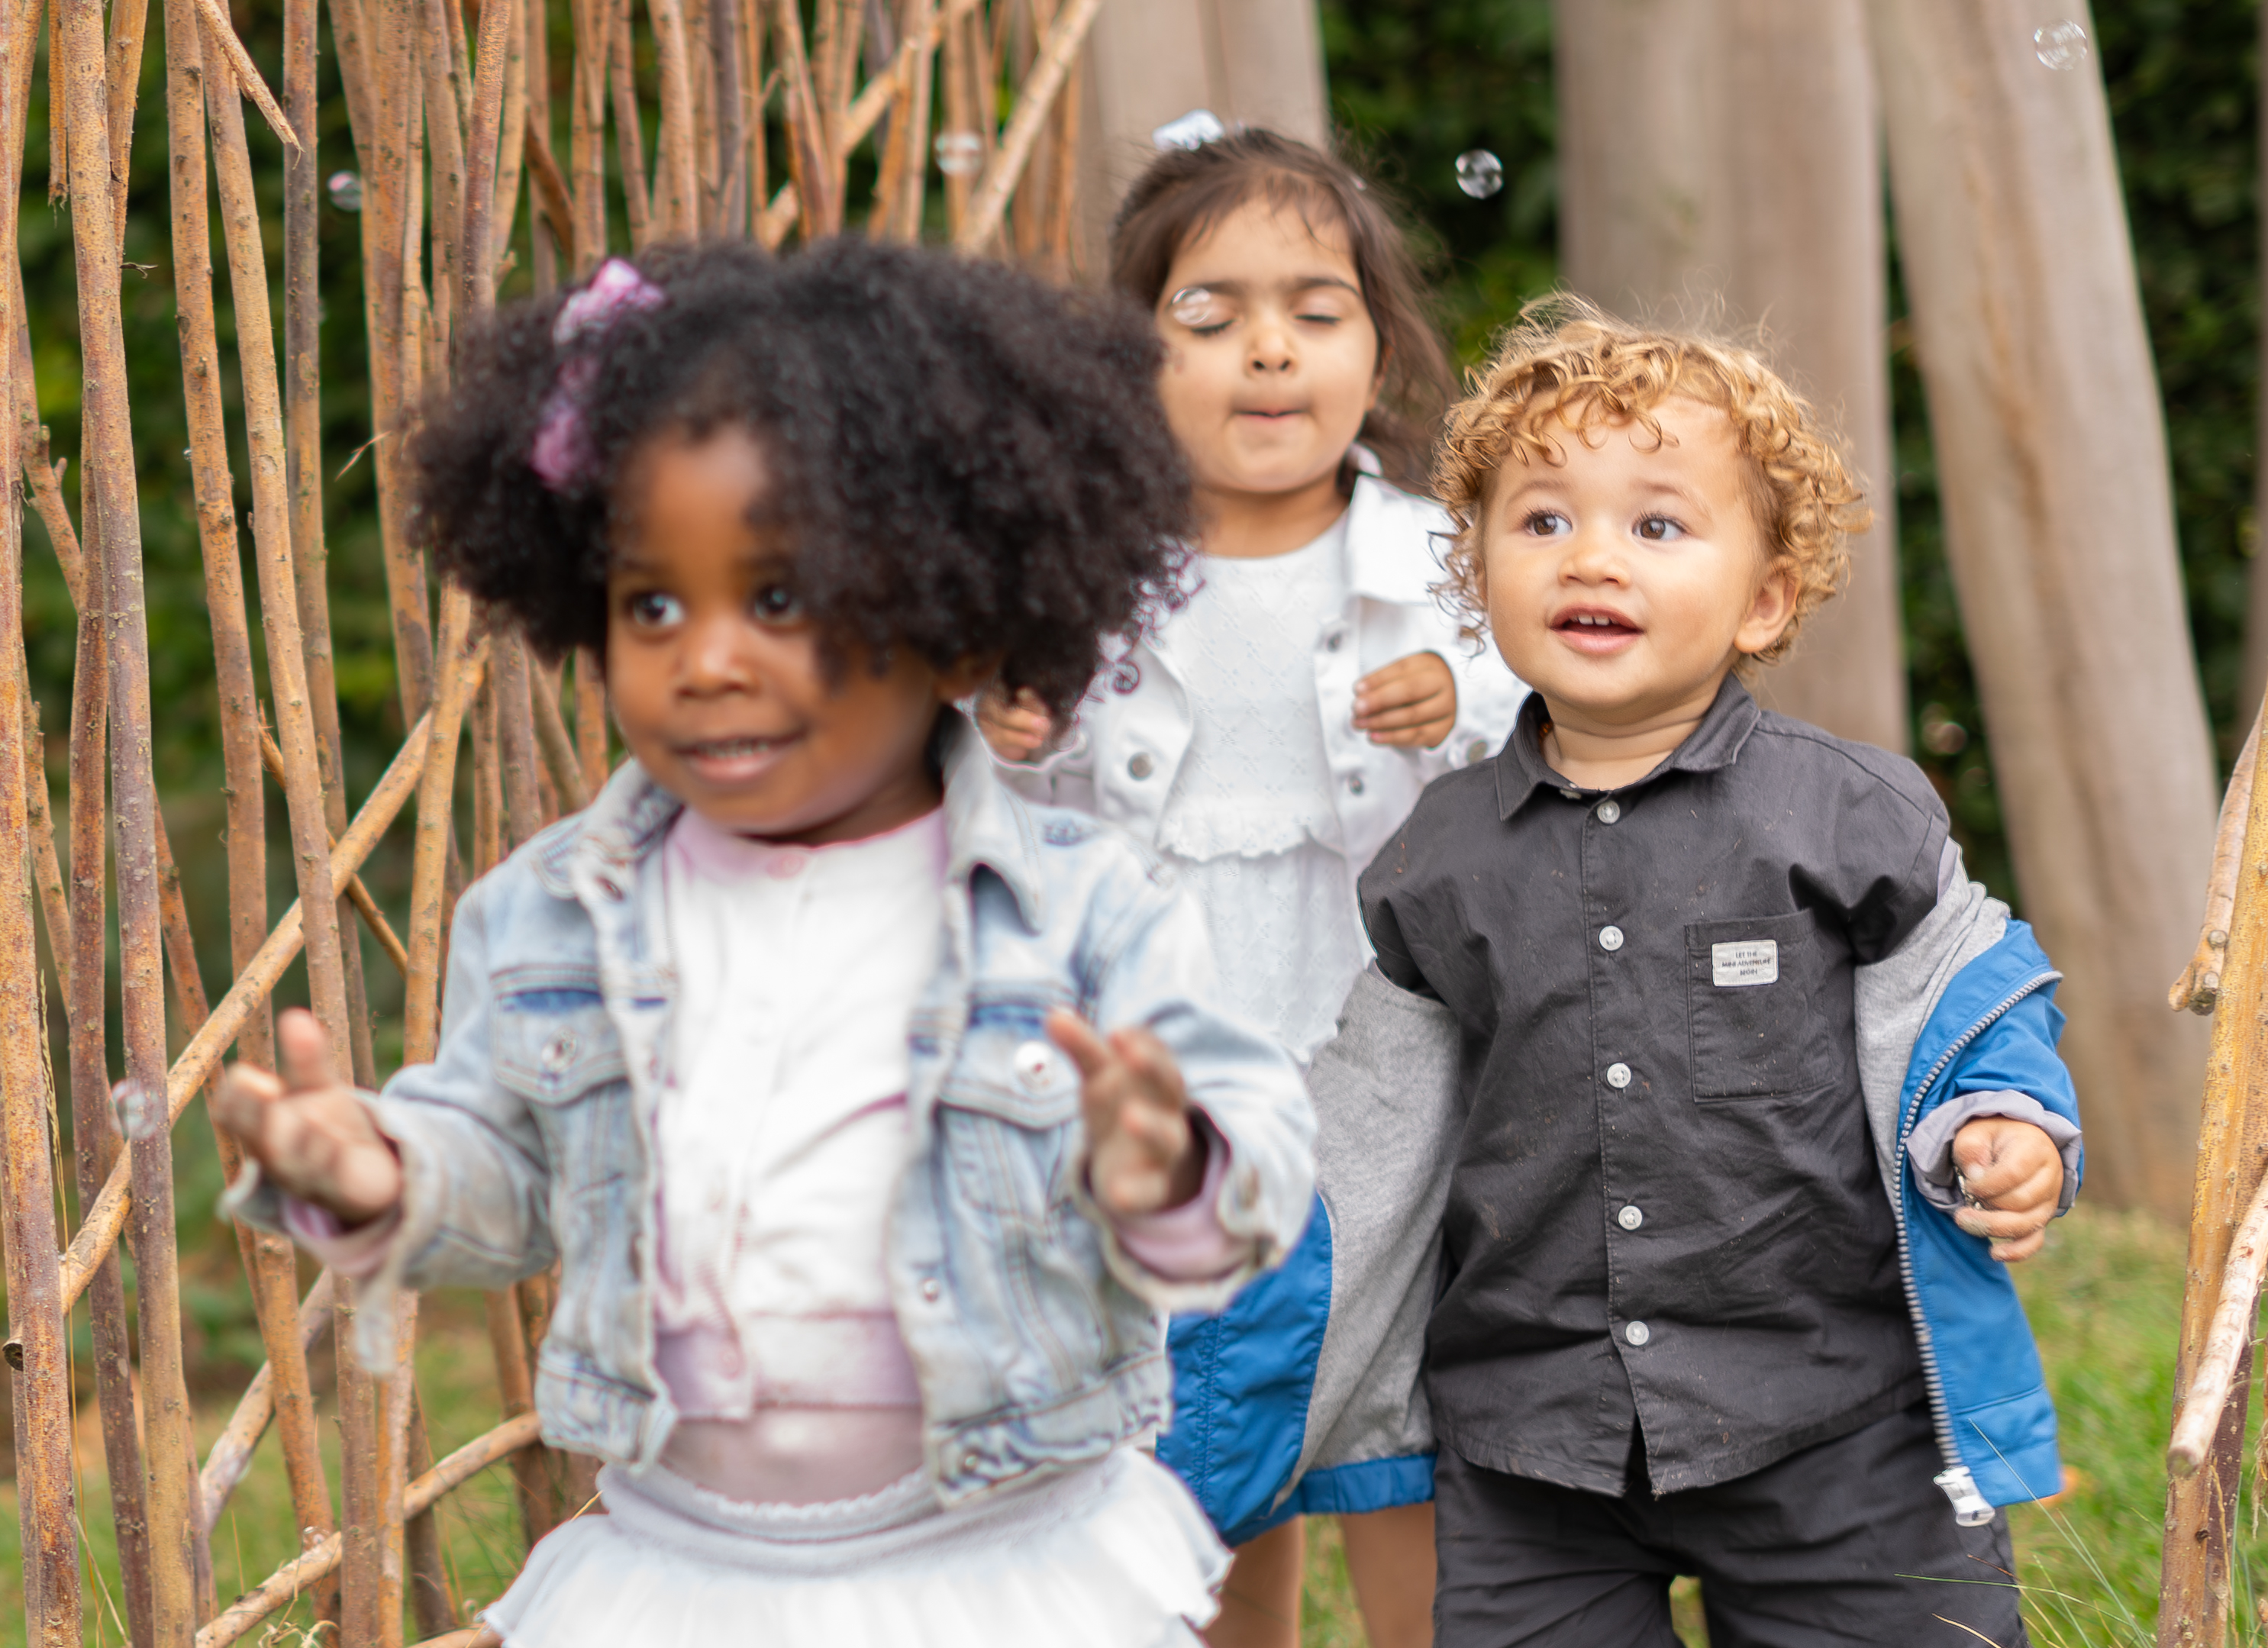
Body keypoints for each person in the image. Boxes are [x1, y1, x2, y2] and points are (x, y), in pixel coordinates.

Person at [209, 238, 1318, 1648]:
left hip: (992, 1560)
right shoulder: (557, 910)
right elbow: (507, 1170)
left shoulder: (1078, 911)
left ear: (958, 614)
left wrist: (1161, 1165)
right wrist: (378, 1168)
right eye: (652, 603)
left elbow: (1256, 1149)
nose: (709, 657)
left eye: (780, 598)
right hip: (689, 1569)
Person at [1308, 303, 2082, 1647]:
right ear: (1473, 573)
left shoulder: (1842, 819)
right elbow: (1368, 1127)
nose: (1590, 555)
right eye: (1542, 521)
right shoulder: (1433, 862)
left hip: (1834, 1419)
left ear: (1765, 598)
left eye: (1655, 525)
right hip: (1530, 1444)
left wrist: (1999, 1125)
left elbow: (1970, 995)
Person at [976, 127, 1524, 1648]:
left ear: (1379, 342)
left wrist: (1461, 697)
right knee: (1208, 1463)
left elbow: (1541, 724)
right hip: (1172, 1093)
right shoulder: (1085, 580)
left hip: (1391, 1093)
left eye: (1314, 309)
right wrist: (1016, 731)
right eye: (1206, 316)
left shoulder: (1447, 565)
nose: (1266, 350)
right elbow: (1016, 817)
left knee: (1407, 1445)